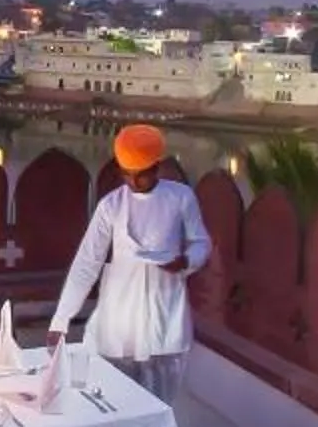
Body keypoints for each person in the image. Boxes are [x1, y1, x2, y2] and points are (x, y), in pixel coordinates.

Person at [49, 123, 211, 405]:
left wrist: (185, 262)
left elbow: (202, 243)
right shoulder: (110, 205)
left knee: (159, 402)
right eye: (128, 175)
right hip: (120, 312)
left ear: (157, 167)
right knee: (112, 398)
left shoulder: (180, 197)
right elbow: (87, 262)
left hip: (163, 310)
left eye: (142, 174)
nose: (134, 182)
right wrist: (61, 319)